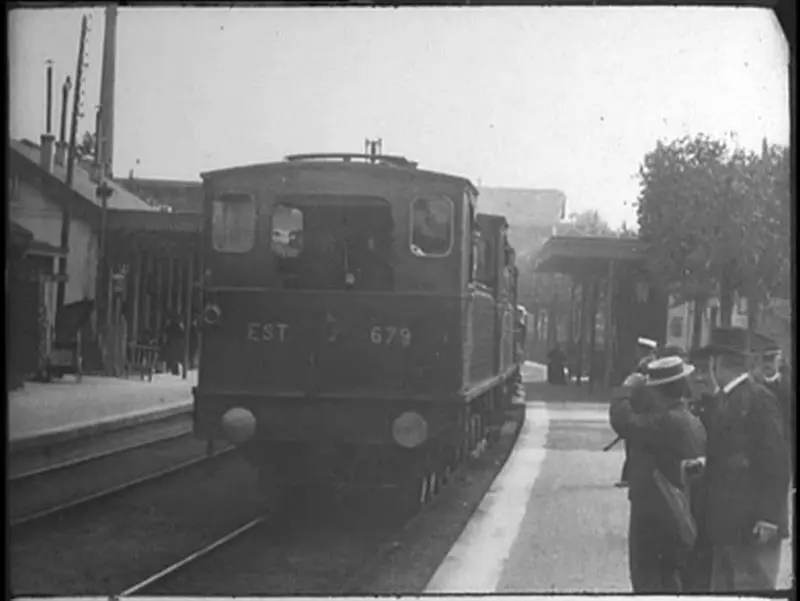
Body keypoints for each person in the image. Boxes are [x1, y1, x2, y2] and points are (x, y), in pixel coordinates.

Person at [694, 327, 790, 592]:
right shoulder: (729, 398)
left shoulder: (759, 400)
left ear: (719, 363)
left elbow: (776, 461)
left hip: (752, 524)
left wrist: (769, 516)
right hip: (729, 522)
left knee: (751, 587)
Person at [609, 355, 707, 592]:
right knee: (670, 577)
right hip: (677, 514)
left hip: (656, 514)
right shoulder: (690, 419)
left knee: (649, 579)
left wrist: (627, 388)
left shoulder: (666, 422)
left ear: (656, 392)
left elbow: (624, 421)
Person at [615, 337, 660, 487]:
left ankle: (630, 476)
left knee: (634, 445)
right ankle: (628, 476)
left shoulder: (648, 365)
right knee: (632, 444)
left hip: (642, 407)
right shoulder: (644, 364)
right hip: (639, 406)